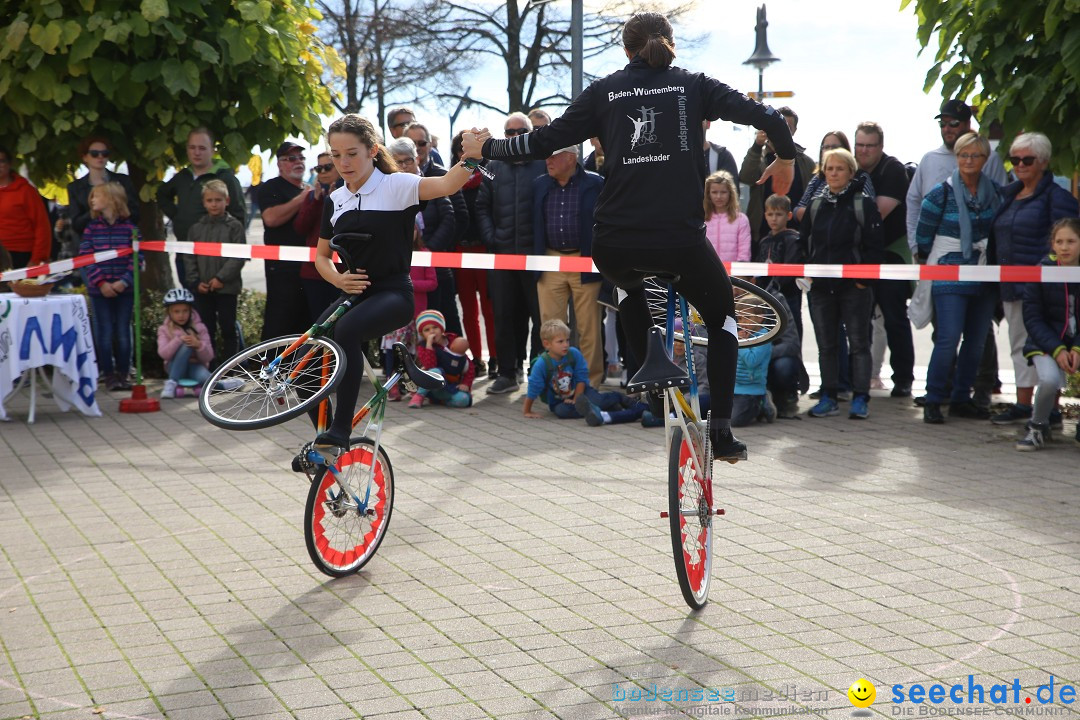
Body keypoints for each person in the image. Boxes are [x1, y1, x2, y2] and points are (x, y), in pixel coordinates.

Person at [462, 11, 797, 459]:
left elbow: (544, 143)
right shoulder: (695, 84)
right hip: (680, 242)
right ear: (671, 43)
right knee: (723, 322)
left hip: (615, 242)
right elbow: (770, 118)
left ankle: (650, 371)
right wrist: (787, 158)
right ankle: (720, 432)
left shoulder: (604, 91)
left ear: (626, 50)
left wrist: (486, 149)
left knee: (628, 285)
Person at [309, 114, 478, 451]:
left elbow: (446, 185)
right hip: (354, 295)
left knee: (346, 332)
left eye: (352, 153)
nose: (343, 163)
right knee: (313, 349)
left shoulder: (396, 185)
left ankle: (341, 430)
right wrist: (339, 279)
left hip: (394, 294)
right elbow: (321, 258)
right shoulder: (336, 199)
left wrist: (471, 156)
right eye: (336, 155)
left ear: (372, 150)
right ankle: (325, 441)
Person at [989, 132, 1080, 426]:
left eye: (1027, 159)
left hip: (1048, 291)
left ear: (1043, 161)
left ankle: (1049, 409)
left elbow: (1067, 243)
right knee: (1019, 345)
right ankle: (1023, 403)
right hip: (1012, 285)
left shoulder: (1058, 198)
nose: (1020, 165)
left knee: (1050, 341)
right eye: (1015, 159)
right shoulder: (1010, 194)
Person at [913, 132, 1001, 424]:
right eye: (963, 155)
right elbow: (923, 237)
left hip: (984, 275)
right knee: (948, 338)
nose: (968, 161)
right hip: (948, 274)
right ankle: (934, 400)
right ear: (956, 157)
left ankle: (962, 399)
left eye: (975, 155)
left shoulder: (996, 193)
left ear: (985, 160)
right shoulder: (941, 193)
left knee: (976, 342)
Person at [800, 148, 883, 420]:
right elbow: (803, 243)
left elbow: (874, 248)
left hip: (854, 288)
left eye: (839, 168)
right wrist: (807, 275)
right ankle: (829, 396)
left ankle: (861, 397)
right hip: (821, 289)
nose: (833, 173)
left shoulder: (863, 203)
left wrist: (861, 281)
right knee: (827, 345)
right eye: (829, 168)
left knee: (859, 344)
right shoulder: (815, 203)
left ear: (850, 172)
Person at [476, 112, 548, 394]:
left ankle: (539, 374)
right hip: (502, 254)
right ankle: (508, 372)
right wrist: (492, 237)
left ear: (530, 134)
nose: (514, 137)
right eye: (509, 133)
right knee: (504, 316)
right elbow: (481, 206)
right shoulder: (492, 166)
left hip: (536, 255)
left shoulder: (544, 163)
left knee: (539, 317)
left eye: (521, 132)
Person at [533, 146, 606, 389]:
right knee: (552, 327)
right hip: (550, 260)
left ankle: (590, 384)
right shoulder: (540, 185)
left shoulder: (595, 184)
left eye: (553, 155)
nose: (548, 160)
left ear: (571, 158)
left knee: (589, 328)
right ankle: (556, 385)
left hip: (585, 261)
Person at [853, 121, 916, 398]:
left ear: (881, 146)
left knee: (894, 318)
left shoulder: (893, 170)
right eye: (860, 145)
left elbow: (875, 215)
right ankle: (856, 381)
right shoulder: (850, 168)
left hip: (891, 254)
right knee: (857, 321)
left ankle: (903, 379)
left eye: (870, 145)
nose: (864, 151)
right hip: (861, 256)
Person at [1016, 218, 1080, 450]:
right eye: (1059, 241)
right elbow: (1033, 318)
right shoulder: (1041, 271)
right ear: (1052, 244)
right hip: (1046, 343)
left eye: (1071, 241)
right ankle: (1037, 427)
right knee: (1050, 380)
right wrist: (1058, 349)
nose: (1064, 247)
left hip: (1076, 344)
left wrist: (1076, 348)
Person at [158, 127, 246, 284]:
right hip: (185, 252)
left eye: (202, 148)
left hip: (215, 257)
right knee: (189, 304)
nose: (196, 153)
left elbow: (239, 216)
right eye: (192, 148)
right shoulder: (182, 177)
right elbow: (162, 195)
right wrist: (178, 217)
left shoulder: (225, 177)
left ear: (212, 150)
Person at [399, 128, 464, 335]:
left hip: (436, 263)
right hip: (402, 265)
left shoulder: (433, 178)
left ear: (416, 159)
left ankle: (452, 363)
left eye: (408, 160)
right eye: (398, 161)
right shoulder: (390, 186)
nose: (404, 166)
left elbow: (451, 217)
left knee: (445, 317)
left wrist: (428, 252)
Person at [522, 320, 645, 426]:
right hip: (559, 400)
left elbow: (581, 378)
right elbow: (534, 386)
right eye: (560, 342)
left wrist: (576, 398)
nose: (565, 345)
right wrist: (527, 411)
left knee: (599, 400)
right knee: (561, 412)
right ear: (546, 344)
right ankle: (608, 409)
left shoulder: (573, 354)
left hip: (582, 392)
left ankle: (617, 399)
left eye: (567, 340)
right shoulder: (542, 364)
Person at [77, 182, 139, 391]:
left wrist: (124, 282)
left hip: (125, 291)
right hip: (99, 291)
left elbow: (137, 259)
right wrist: (102, 283)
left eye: (97, 196)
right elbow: (86, 257)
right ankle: (109, 374)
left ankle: (124, 372)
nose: (92, 200)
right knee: (103, 333)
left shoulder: (130, 229)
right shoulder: (91, 229)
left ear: (111, 199)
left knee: (123, 331)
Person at [450, 131, 497, 377]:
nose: (464, 152)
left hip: (485, 250)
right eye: (460, 148)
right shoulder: (450, 179)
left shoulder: (491, 176)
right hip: (461, 251)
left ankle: (496, 358)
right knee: (468, 310)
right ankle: (477, 359)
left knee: (489, 308)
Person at [185, 179, 247, 362]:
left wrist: (221, 278)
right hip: (203, 288)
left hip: (227, 288)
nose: (214, 204)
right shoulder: (196, 229)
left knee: (228, 327)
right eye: (210, 200)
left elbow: (238, 256)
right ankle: (210, 365)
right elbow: (189, 257)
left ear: (226, 201)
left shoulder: (235, 226)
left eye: (218, 200)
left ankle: (231, 366)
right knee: (206, 328)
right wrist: (195, 282)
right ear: (204, 202)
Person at [258, 142, 315, 339]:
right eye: (291, 159)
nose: (298, 162)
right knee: (280, 323)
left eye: (301, 158)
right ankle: (268, 368)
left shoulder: (309, 189)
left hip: (309, 269)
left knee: (306, 325)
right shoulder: (271, 187)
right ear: (280, 164)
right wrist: (302, 199)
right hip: (282, 269)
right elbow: (271, 218)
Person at [740, 106, 816, 253]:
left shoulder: (806, 162)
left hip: (798, 236)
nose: (783, 130)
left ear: (794, 131)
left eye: (788, 127)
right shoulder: (759, 157)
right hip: (761, 235)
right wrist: (757, 146)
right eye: (780, 125)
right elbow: (745, 177)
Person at [293, 151, 344, 322]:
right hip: (313, 272)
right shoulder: (312, 196)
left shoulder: (349, 193)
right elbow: (300, 227)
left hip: (343, 270)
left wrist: (333, 201)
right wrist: (316, 201)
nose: (322, 172)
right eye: (318, 168)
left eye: (327, 167)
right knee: (319, 322)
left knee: (344, 322)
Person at [65, 137, 140, 250]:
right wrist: (94, 212)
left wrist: (116, 210)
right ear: (85, 157)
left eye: (105, 153)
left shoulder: (123, 181)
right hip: (90, 247)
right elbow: (76, 224)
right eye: (94, 153)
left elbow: (135, 214)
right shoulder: (75, 188)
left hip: (122, 244)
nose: (100, 157)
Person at [755, 194, 804, 340]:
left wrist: (774, 286)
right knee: (768, 332)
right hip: (766, 297)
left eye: (778, 214)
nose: (774, 218)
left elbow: (790, 269)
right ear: (765, 215)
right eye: (770, 214)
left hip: (788, 295)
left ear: (789, 216)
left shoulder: (793, 239)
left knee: (792, 330)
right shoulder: (764, 241)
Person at [410, 310, 475, 409]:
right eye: (427, 330)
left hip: (450, 386)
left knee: (464, 400)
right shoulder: (423, 347)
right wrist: (429, 346)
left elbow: (467, 365)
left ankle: (443, 400)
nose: (432, 331)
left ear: (442, 329)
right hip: (432, 386)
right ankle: (419, 396)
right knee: (435, 371)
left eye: (435, 327)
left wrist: (466, 383)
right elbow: (430, 366)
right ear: (422, 334)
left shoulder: (453, 343)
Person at [157, 288, 214, 399]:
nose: (181, 315)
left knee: (206, 379)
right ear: (169, 312)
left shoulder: (200, 327)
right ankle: (171, 383)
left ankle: (225, 385)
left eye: (185, 311)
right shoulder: (164, 329)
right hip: (173, 367)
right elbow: (163, 354)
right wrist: (178, 340)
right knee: (186, 344)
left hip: (195, 366)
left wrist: (198, 345)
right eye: (176, 312)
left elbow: (209, 357)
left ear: (191, 311)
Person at [0, 145, 51, 267]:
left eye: (1, 161)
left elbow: (42, 226)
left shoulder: (26, 191)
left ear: (9, 164)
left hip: (21, 255)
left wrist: (37, 259)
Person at [731, 322, 775, 427]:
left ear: (760, 318)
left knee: (736, 421)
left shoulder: (763, 337)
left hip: (752, 389)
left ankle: (763, 404)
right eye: (740, 318)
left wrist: (741, 343)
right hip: (735, 387)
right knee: (719, 416)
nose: (742, 322)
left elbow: (751, 361)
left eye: (747, 318)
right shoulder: (740, 334)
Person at [703, 170, 750, 263]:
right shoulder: (702, 220)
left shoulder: (741, 220)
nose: (719, 196)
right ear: (708, 194)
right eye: (714, 192)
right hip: (707, 273)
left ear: (730, 193)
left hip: (733, 274)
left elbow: (744, 254)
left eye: (723, 192)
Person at [702, 121, 739, 191]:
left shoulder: (723, 156)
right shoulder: (677, 158)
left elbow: (734, 193)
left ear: (708, 124)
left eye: (700, 122)